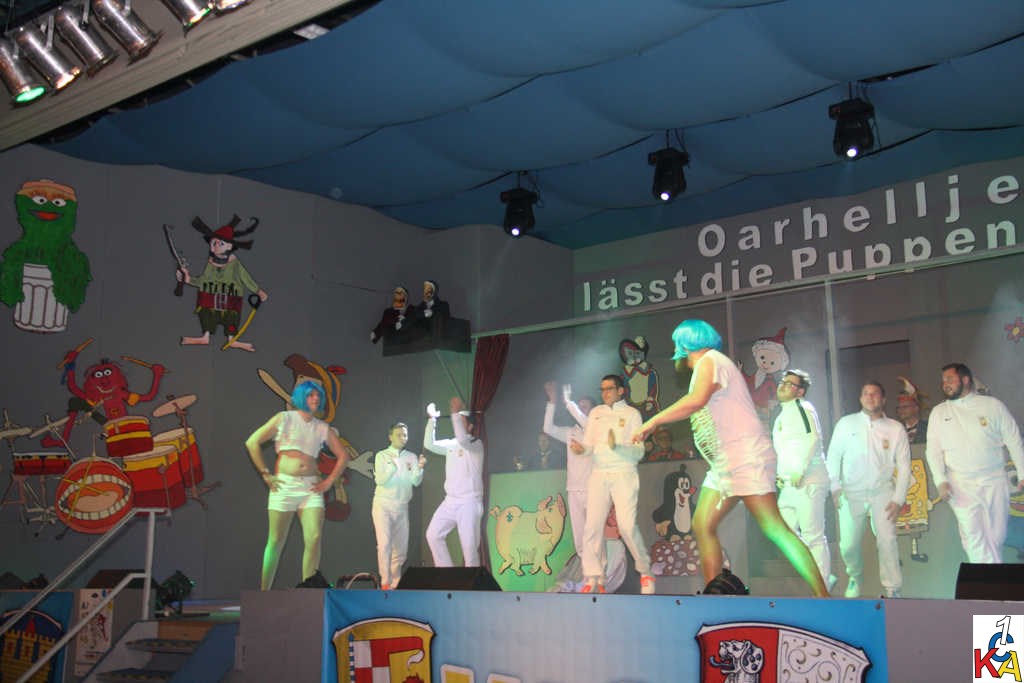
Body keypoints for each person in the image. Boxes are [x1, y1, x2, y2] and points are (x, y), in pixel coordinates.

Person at [634, 320, 828, 597]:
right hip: (726, 462)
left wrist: (652, 422)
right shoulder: (709, 366)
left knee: (774, 527)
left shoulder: (712, 361)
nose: (677, 348)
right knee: (703, 523)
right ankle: (715, 598)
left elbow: (696, 400)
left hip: (746, 455)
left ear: (688, 341)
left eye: (679, 342)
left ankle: (823, 595)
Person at [245, 380, 349, 589]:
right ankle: (264, 592)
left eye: (318, 396)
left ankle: (308, 590)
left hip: (310, 487)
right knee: (276, 540)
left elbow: (343, 456)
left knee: (314, 537)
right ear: (301, 397)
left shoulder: (322, 427)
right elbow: (252, 442)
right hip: (284, 485)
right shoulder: (284, 418)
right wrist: (265, 473)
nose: (315, 399)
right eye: (311, 395)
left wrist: (329, 481)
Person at [926, 363, 1024, 563]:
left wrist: (1022, 473)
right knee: (973, 536)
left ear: (965, 379)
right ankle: (987, 579)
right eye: (943, 380)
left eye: (950, 379)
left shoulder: (993, 406)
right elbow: (933, 451)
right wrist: (940, 481)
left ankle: (989, 576)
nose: (945, 384)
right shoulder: (938, 412)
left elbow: (1014, 439)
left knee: (996, 536)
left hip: (995, 479)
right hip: (960, 482)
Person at [570, 375, 655, 594]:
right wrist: (582, 449)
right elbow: (589, 446)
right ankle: (594, 576)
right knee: (592, 526)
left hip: (624, 473)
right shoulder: (596, 413)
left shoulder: (632, 414)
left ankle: (645, 571)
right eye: (602, 389)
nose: (605, 393)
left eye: (609, 389)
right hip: (599, 473)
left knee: (626, 526)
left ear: (621, 391)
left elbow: (639, 452)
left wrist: (617, 447)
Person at [826, 382, 911, 598]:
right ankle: (854, 575)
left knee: (887, 540)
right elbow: (833, 456)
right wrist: (835, 487)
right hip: (850, 493)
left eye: (874, 394)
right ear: (860, 398)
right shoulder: (846, 424)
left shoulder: (895, 428)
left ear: (883, 399)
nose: (870, 397)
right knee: (848, 545)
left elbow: (904, 466)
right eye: (865, 393)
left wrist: (898, 499)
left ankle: (893, 588)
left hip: (882, 492)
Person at [772, 369, 835, 590]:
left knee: (813, 535)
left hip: (809, 481)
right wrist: (781, 475)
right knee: (782, 532)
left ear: (800, 391)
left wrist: (799, 470)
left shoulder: (803, 407)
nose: (782, 385)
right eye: (782, 381)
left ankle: (823, 586)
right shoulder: (781, 415)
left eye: (789, 384)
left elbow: (812, 438)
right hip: (789, 485)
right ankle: (819, 576)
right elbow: (784, 450)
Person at [178, 215, 267, 352]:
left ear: (229, 246)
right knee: (207, 314)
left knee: (231, 319)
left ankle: (232, 339)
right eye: (214, 243)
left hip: (230, 300)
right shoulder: (210, 264)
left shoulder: (234, 264)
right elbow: (203, 280)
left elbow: (246, 278)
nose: (216, 246)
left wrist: (258, 291)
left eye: (220, 243)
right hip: (210, 299)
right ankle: (205, 336)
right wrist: (188, 279)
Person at [423, 396, 485, 566]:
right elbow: (429, 444)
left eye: (461, 420)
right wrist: (432, 420)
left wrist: (455, 413)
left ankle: (472, 581)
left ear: (470, 427)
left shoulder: (476, 444)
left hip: (469, 503)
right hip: (450, 501)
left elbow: (463, 440)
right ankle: (447, 574)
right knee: (433, 535)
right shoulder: (451, 444)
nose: (457, 422)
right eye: (457, 419)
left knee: (469, 549)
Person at [541, 381, 595, 554]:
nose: (580, 410)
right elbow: (548, 428)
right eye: (579, 407)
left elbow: (587, 423)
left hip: (593, 490)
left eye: (584, 407)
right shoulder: (571, 432)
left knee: (594, 534)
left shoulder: (596, 430)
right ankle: (586, 567)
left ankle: (600, 569)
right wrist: (552, 402)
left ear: (593, 411)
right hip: (573, 489)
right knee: (579, 537)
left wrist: (569, 402)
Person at [372, 423, 426, 590]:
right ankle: (385, 582)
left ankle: (395, 584)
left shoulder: (411, 456)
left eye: (405, 435)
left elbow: (415, 481)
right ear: (390, 437)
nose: (403, 438)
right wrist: (392, 466)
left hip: (402, 506)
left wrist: (420, 467)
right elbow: (380, 480)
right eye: (399, 435)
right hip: (383, 504)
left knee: (401, 550)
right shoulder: (382, 455)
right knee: (384, 544)